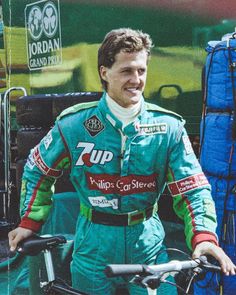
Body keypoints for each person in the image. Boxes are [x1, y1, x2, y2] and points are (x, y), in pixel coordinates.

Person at [9, 28, 235, 294]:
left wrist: (204, 237)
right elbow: (38, 169)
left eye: (141, 71)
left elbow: (192, 188)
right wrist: (29, 223)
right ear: (104, 72)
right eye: (127, 71)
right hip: (93, 246)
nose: (136, 80)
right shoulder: (74, 125)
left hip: (147, 244)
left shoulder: (168, 127)